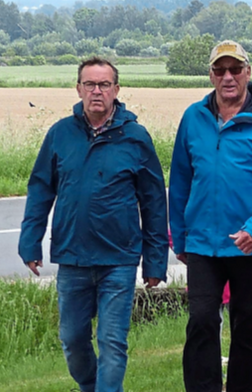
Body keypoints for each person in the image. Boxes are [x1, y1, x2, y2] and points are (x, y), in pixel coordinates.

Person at [20, 57, 168, 392]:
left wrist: (155, 260)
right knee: (72, 341)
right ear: (78, 89)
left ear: (116, 90)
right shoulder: (60, 134)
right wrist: (30, 241)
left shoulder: (136, 138)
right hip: (73, 257)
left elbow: (155, 203)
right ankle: (91, 386)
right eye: (90, 84)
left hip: (119, 259)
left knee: (112, 343)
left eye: (104, 84)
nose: (96, 91)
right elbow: (41, 188)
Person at [170, 40, 252, 392]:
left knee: (249, 324)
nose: (227, 77)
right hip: (204, 243)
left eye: (235, 69)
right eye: (220, 70)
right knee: (202, 321)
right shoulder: (194, 117)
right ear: (210, 74)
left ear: (247, 73)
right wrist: (179, 235)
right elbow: (180, 179)